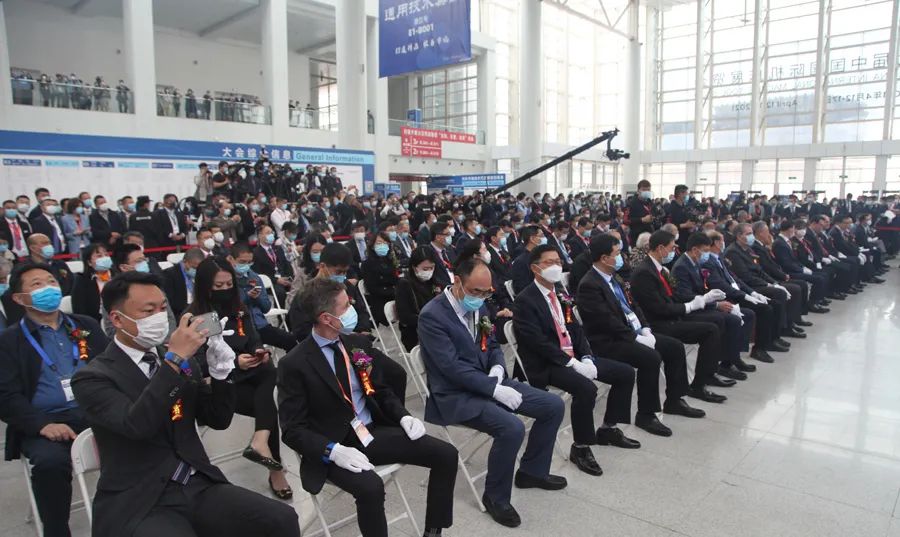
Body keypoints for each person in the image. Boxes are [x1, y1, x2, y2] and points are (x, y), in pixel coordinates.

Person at [70, 271, 300, 537]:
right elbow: (137, 425)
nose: (159, 317)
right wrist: (174, 361)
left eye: (162, 309)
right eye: (148, 311)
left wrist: (221, 373)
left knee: (281, 519)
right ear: (117, 319)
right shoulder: (93, 377)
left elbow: (217, 419)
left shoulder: (181, 362)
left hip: (196, 483)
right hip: (142, 498)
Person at [278, 277, 459, 537]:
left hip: (369, 431)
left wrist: (403, 416)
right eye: (345, 306)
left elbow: (379, 390)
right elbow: (292, 429)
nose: (352, 308)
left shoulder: (356, 344)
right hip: (333, 445)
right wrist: (333, 451)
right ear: (327, 318)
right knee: (371, 487)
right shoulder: (294, 364)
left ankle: (433, 532)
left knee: (446, 454)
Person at [418, 257, 566, 528]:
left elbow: (493, 344)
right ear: (457, 282)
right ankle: (496, 497)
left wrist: (498, 368)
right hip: (456, 394)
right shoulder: (432, 315)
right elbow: (450, 368)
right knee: (511, 427)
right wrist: (493, 389)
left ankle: (532, 471)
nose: (481, 297)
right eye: (476, 291)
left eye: (486, 292)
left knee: (552, 406)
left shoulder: (480, 305)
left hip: (489, 381)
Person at [0, 263, 107, 537]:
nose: (48, 288)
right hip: (46, 422)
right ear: (19, 298)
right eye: (36, 284)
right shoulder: (9, 341)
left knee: (141, 436)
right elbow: (6, 395)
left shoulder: (85, 325)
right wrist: (41, 425)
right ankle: (56, 530)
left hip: (95, 411)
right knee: (50, 463)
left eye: (50, 281)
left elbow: (111, 365)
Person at [512, 245, 639, 476]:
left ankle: (609, 428)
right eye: (549, 262)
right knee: (586, 388)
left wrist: (587, 356)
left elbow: (575, 329)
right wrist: (571, 363)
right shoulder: (525, 300)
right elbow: (537, 342)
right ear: (535, 268)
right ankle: (580, 447)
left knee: (625, 373)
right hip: (546, 363)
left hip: (573, 355)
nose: (556, 266)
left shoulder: (560, 293)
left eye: (558, 262)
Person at [185, 258, 292, 499]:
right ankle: (272, 465)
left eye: (228, 284)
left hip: (250, 373)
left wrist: (257, 351)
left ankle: (261, 442)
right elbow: (198, 362)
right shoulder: (199, 316)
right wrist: (233, 363)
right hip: (220, 382)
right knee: (268, 404)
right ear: (205, 286)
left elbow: (252, 337)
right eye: (218, 286)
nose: (225, 290)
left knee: (269, 370)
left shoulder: (238, 307)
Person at [576, 234, 703, 438]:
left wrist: (645, 328)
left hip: (631, 332)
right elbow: (606, 321)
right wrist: (635, 338)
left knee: (674, 347)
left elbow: (633, 305)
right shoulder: (589, 285)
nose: (622, 258)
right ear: (604, 258)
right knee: (650, 358)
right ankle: (646, 414)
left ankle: (674, 400)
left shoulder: (615, 277)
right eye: (617, 253)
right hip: (608, 341)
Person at [287, 243, 408, 399]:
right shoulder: (308, 295)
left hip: (356, 346)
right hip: (328, 350)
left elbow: (361, 311)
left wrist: (363, 329)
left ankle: (389, 412)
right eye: (338, 271)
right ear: (323, 267)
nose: (342, 276)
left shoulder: (345, 287)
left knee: (396, 373)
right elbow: (301, 331)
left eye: (345, 272)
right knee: (366, 383)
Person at [628, 230, 730, 403]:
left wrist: (702, 299)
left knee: (712, 326)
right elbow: (659, 308)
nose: (673, 251)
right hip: (657, 323)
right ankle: (694, 388)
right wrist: (690, 306)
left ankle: (703, 379)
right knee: (708, 331)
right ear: (660, 248)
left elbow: (674, 295)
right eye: (671, 248)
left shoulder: (660, 269)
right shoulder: (645, 272)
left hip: (671, 317)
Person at [671, 232, 757, 379]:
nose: (707, 254)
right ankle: (716, 367)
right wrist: (715, 304)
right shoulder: (682, 266)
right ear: (695, 249)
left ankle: (730, 359)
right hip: (690, 310)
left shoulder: (695, 262)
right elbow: (685, 296)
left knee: (742, 314)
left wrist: (717, 298)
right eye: (705, 250)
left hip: (702, 304)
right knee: (725, 319)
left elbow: (703, 288)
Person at [701, 230, 782, 363]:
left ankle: (760, 346)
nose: (724, 243)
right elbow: (720, 284)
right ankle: (752, 351)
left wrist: (752, 293)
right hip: (726, 296)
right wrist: (744, 296)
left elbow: (734, 278)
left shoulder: (718, 257)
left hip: (736, 293)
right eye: (722, 240)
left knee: (772, 304)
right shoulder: (708, 261)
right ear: (716, 242)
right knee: (763, 310)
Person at [229, 242, 297, 352]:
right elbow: (230, 307)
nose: (246, 266)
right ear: (231, 259)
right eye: (242, 262)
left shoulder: (255, 277)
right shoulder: (226, 280)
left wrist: (257, 297)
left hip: (260, 325)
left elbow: (266, 307)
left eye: (249, 262)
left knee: (290, 340)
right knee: (259, 353)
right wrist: (247, 297)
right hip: (240, 328)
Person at [395, 247, 441, 351]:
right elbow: (405, 317)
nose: (429, 271)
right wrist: (431, 319)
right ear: (414, 267)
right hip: (416, 332)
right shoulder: (404, 285)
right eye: (425, 269)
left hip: (436, 328)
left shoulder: (433, 282)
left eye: (432, 268)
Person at [362, 231, 401, 326]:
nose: (382, 245)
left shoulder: (390, 261)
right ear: (372, 246)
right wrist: (394, 291)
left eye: (385, 243)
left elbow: (395, 280)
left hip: (394, 296)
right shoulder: (367, 264)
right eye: (379, 243)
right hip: (380, 301)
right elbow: (373, 288)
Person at [71, 243, 114, 321]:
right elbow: (79, 310)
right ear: (89, 262)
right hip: (95, 322)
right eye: (99, 256)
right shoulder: (82, 280)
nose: (104, 258)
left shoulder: (118, 276)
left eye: (106, 255)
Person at [162, 248, 205, 316]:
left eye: (199, 268)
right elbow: (170, 302)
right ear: (184, 261)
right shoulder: (169, 275)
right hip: (179, 313)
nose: (196, 271)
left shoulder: (201, 273)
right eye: (194, 268)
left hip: (198, 311)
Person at [510, 226, 546, 295]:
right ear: (532, 239)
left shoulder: (542, 256)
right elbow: (521, 288)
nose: (544, 238)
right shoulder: (521, 261)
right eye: (541, 236)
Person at [424, 221, 455, 288]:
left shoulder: (450, 250)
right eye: (447, 234)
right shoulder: (427, 253)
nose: (450, 236)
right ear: (437, 237)